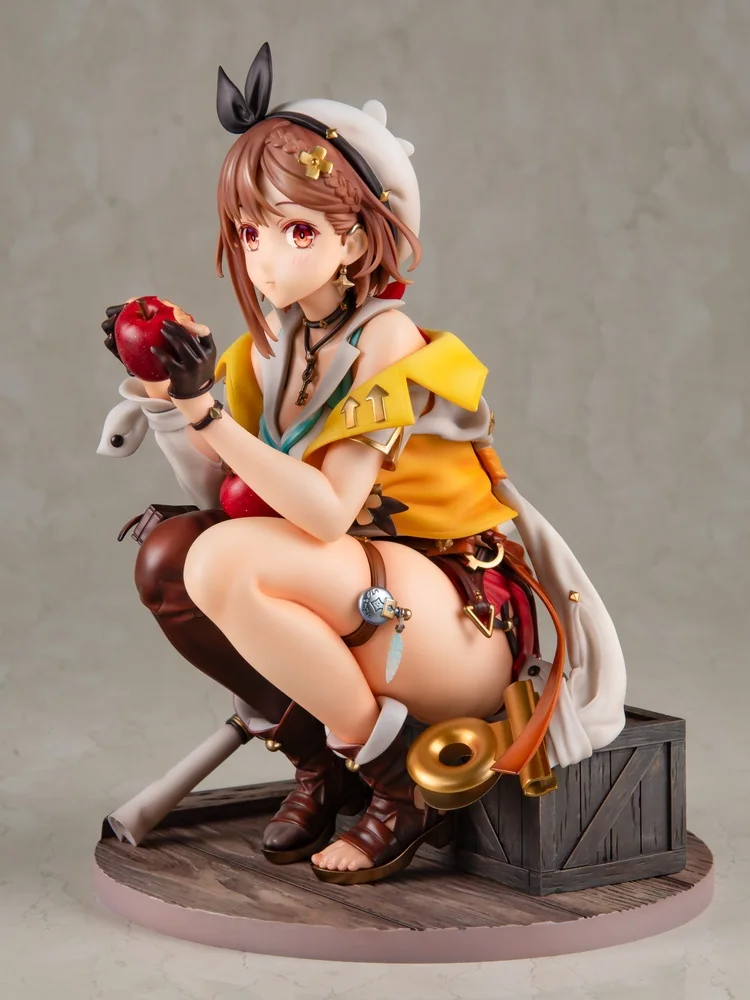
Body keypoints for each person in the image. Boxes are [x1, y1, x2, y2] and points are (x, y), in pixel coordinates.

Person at [97, 43, 627, 886]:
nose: (264, 254)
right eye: (250, 230)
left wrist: (205, 413)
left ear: (355, 239)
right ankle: (321, 765)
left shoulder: (387, 341)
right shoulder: (269, 350)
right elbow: (227, 495)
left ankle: (397, 788)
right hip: (358, 587)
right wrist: (171, 399)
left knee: (223, 560)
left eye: (298, 229)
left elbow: (325, 512)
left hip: (455, 614)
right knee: (172, 560)